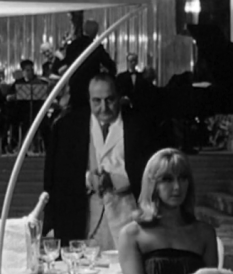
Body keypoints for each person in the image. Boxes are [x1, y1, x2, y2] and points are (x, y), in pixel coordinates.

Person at [43, 73, 160, 251]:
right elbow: (56, 178)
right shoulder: (68, 127)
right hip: (84, 225)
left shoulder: (141, 126)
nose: (103, 107)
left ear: (119, 97)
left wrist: (115, 180)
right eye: (96, 101)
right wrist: (87, 179)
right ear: (88, 99)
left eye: (109, 100)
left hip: (129, 221)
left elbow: (154, 173)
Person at [54, 19, 116, 111]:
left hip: (75, 86)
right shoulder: (95, 47)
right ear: (95, 32)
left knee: (77, 113)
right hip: (91, 87)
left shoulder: (73, 45)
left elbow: (66, 63)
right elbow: (111, 66)